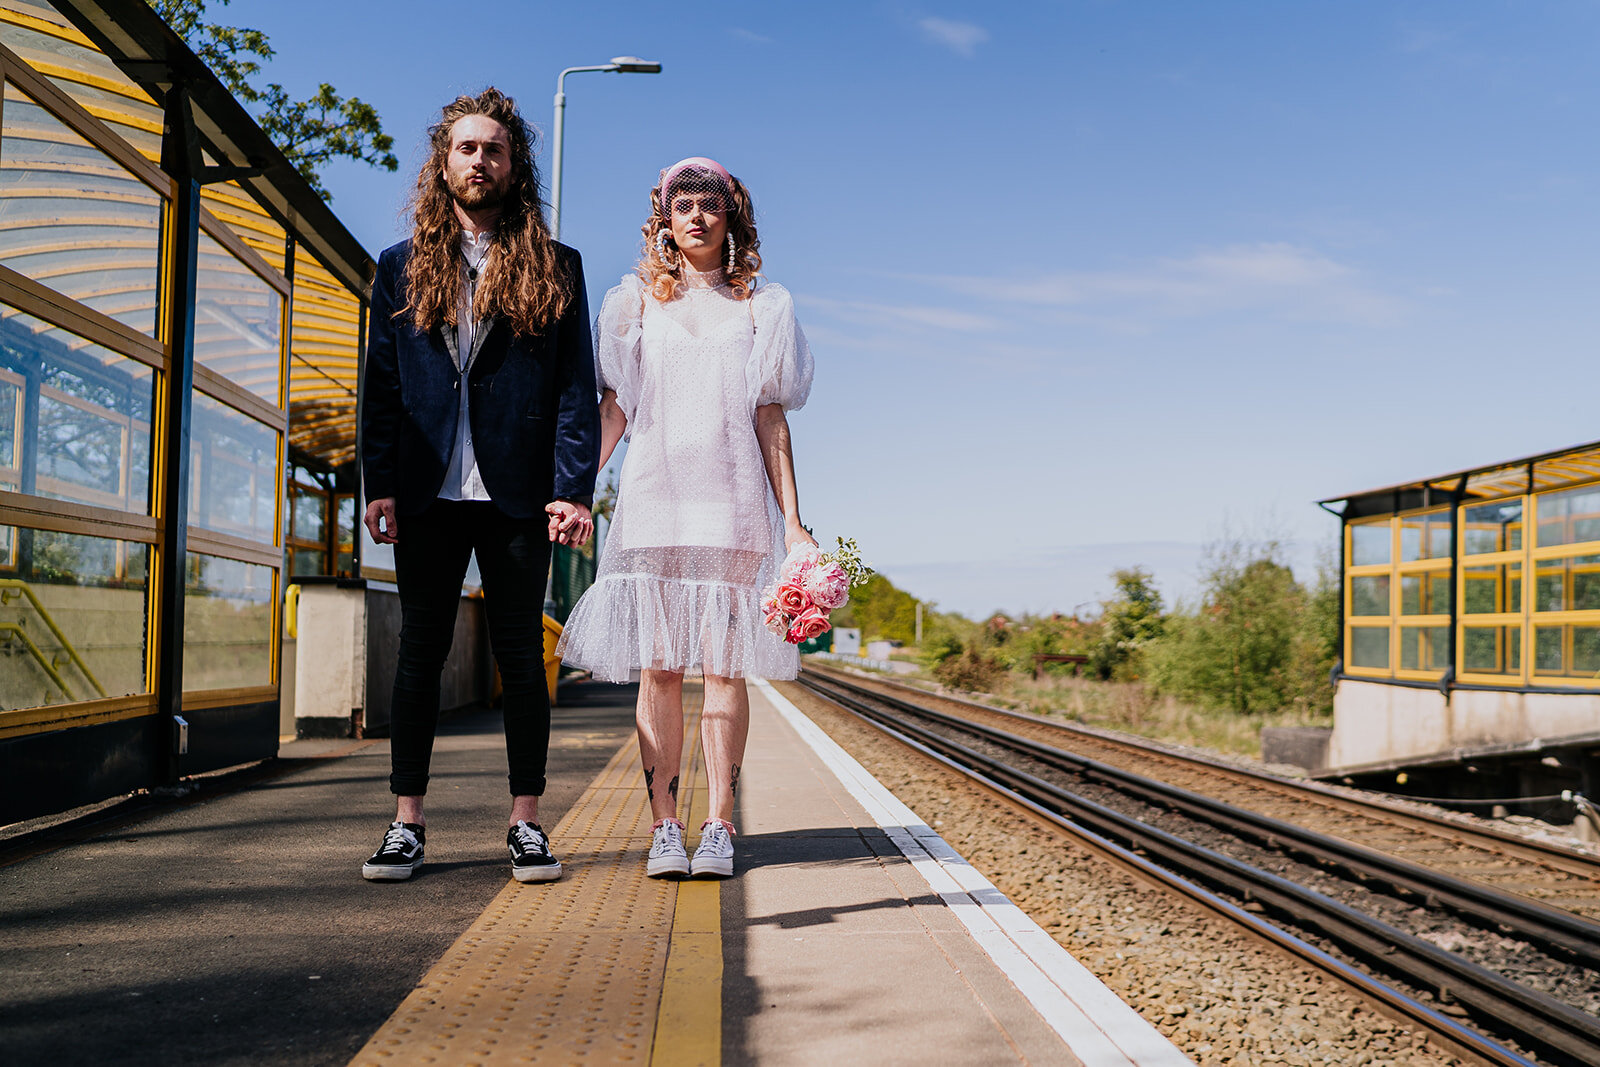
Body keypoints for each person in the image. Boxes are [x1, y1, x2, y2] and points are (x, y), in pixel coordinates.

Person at [358, 88, 599, 883]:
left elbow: (573, 388)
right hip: (428, 489)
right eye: (466, 147)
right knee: (417, 659)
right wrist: (380, 482)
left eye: (493, 149)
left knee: (521, 661)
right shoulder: (399, 267)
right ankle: (407, 823)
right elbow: (382, 386)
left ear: (513, 164)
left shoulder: (557, 266)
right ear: (443, 161)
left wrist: (574, 487)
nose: (479, 160)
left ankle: (526, 823)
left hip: (519, 495)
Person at [557, 157, 814, 879]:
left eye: (710, 205)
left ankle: (720, 826)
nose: (696, 216)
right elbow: (616, 409)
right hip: (654, 503)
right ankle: (664, 826)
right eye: (683, 205)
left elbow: (771, 419)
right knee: (661, 672)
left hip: (732, 509)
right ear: (663, 219)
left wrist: (794, 523)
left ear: (732, 217)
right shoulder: (634, 305)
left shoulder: (764, 309)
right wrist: (577, 489)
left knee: (724, 672)